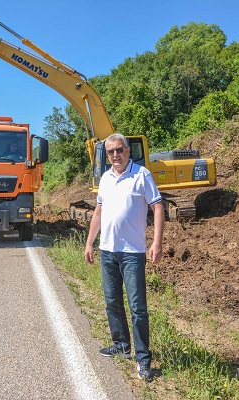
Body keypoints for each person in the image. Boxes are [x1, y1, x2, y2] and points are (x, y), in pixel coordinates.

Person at [84, 133, 164, 383]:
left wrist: (157, 242)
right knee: (112, 302)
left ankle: (143, 360)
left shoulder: (142, 175)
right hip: (108, 251)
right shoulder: (106, 178)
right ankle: (121, 345)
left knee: (138, 308)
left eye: (119, 150)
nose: (115, 155)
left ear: (128, 151)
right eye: (111, 152)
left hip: (132, 253)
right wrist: (89, 242)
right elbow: (98, 211)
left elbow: (158, 206)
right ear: (106, 156)